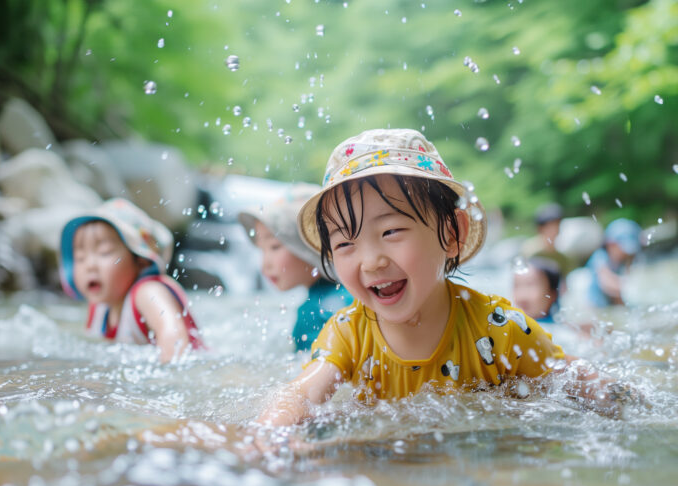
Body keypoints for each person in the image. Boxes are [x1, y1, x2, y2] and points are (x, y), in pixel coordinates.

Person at [255, 128, 636, 429]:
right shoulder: (348, 334)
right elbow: (301, 394)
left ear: (452, 233)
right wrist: (268, 438)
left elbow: (574, 377)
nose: (370, 261)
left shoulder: (498, 329)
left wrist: (618, 399)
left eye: (390, 232)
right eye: (345, 243)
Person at [59, 198, 205, 362]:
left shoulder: (148, 292)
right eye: (80, 257)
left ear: (141, 261)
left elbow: (173, 337)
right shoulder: (99, 307)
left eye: (104, 252)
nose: (90, 266)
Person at [239, 184, 352, 352]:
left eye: (275, 247)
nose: (264, 265)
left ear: (311, 245)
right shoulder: (350, 294)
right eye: (261, 250)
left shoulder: (314, 313)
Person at [585, 218, 642, 307]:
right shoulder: (600, 257)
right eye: (623, 249)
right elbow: (606, 281)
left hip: (610, 303)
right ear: (610, 244)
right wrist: (629, 288)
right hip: (594, 305)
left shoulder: (622, 262)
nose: (625, 254)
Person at [521, 203, 574, 278]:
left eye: (557, 226)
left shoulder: (564, 257)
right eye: (550, 227)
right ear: (540, 229)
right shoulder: (530, 251)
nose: (554, 231)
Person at [512, 257, 561, 323]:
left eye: (530, 284)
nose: (522, 295)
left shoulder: (562, 332)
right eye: (516, 285)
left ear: (552, 294)